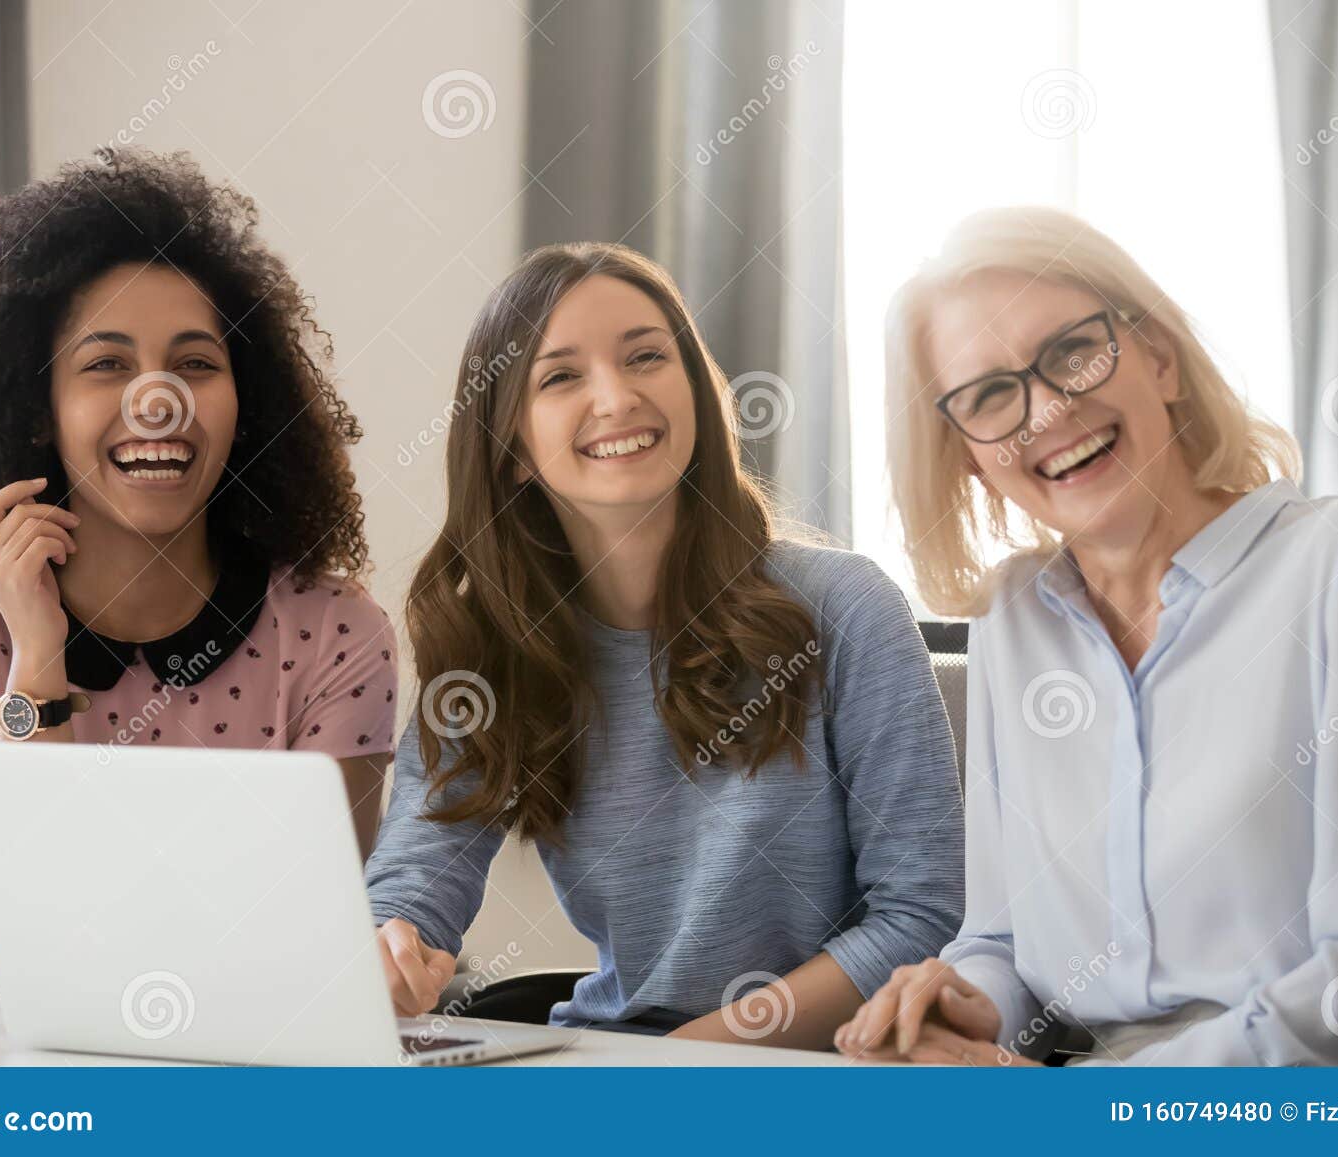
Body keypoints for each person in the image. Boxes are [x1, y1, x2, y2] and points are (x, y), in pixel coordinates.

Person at [835, 206, 1338, 1066]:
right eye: (990, 393)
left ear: (1160, 359)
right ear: (965, 454)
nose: (1046, 413)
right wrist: (957, 1007)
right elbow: (998, 938)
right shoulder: (1011, 618)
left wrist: (1089, 1106)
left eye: (1072, 351)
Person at [365, 242, 963, 1049]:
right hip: (616, 1051)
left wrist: (694, 1055)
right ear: (509, 450)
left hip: (819, 1065)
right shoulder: (497, 647)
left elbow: (921, 912)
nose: (617, 397)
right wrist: (394, 941)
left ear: (699, 392)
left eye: (647, 356)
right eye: (561, 376)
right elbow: (413, 881)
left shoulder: (844, 606)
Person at [0, 150, 396, 997]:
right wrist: (37, 660)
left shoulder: (337, 635)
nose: (161, 400)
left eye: (196, 363)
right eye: (106, 364)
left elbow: (310, 940)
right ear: (37, 409)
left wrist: (71, 930)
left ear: (242, 403)